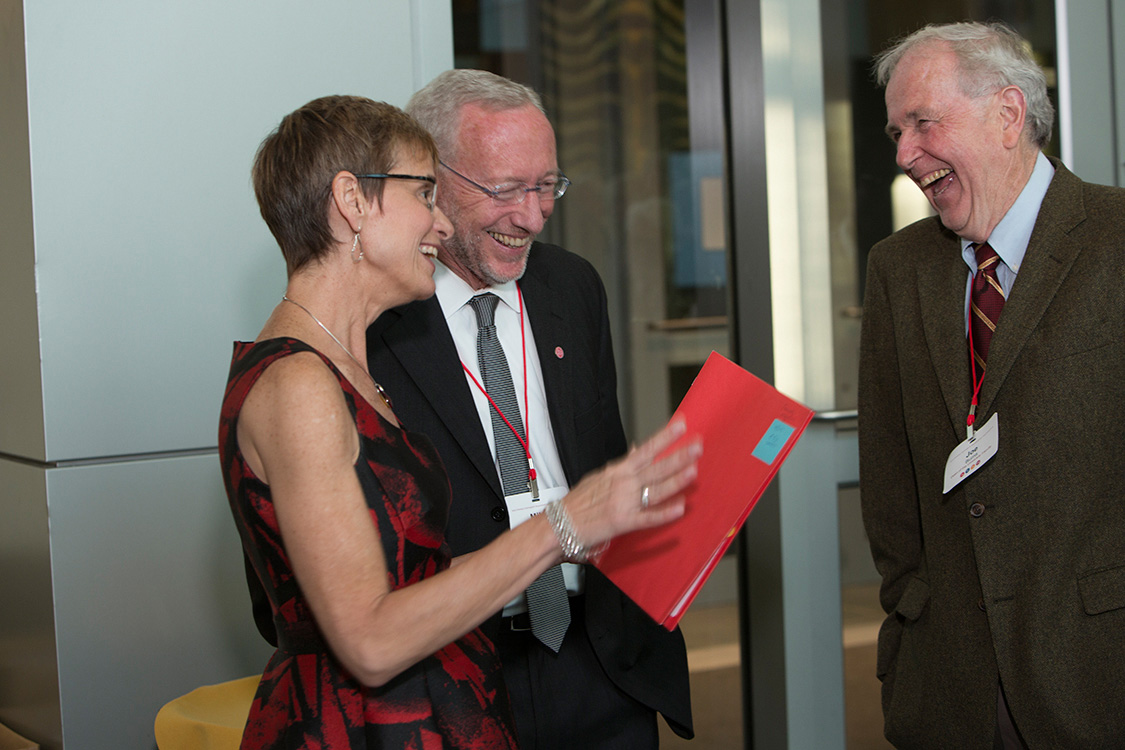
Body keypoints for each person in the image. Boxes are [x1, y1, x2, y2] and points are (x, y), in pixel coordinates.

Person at [219, 94, 700, 749]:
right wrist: (562, 524)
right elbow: (368, 638)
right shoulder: (300, 384)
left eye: (544, 186)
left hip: (452, 707)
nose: (438, 223)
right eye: (423, 193)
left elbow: (402, 572)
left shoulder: (341, 367)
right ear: (353, 203)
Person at [366, 70, 693, 748]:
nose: (533, 215)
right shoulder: (375, 321)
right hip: (451, 672)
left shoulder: (571, 286)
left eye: (547, 185)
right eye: (505, 189)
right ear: (430, 181)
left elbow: (601, 459)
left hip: (598, 657)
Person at [859, 21, 1125, 750]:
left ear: (1007, 116)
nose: (904, 154)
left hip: (1099, 674)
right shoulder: (896, 268)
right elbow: (887, 481)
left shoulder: (1115, 239)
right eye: (895, 131)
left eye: (921, 123)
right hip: (949, 688)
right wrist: (908, 619)